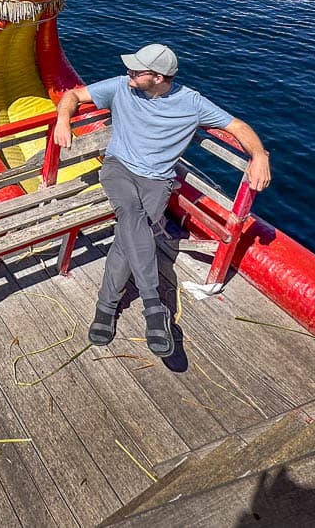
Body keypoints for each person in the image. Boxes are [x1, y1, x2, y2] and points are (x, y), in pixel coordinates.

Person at [53, 43, 271, 357]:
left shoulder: (192, 103)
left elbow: (237, 126)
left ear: (157, 77)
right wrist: (63, 120)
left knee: (127, 238)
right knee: (131, 215)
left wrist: (259, 155)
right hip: (118, 169)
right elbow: (72, 95)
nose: (128, 73)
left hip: (157, 180)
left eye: (136, 71)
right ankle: (154, 309)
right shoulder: (120, 87)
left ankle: (107, 307)